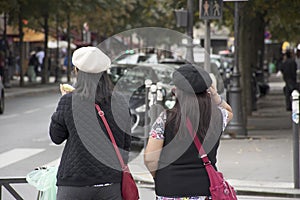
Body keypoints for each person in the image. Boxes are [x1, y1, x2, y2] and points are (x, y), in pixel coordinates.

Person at [49, 46, 132, 200]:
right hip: (110, 183)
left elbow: (56, 136)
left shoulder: (69, 101)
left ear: (77, 72)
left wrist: (62, 105)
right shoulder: (120, 101)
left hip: (74, 184)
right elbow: (126, 143)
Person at [144, 64, 233, 199]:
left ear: (178, 91)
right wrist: (215, 96)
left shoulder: (166, 118)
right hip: (204, 187)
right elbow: (230, 111)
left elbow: (150, 159)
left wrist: (161, 176)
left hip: (170, 188)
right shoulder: (218, 116)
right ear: (207, 90)